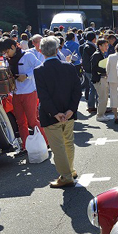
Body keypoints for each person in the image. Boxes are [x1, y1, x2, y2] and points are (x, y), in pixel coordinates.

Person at [33, 37, 82, 188]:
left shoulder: (39, 70)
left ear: (41, 51)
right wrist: (71, 109)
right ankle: (70, 170)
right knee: (68, 142)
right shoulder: (69, 67)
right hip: (68, 112)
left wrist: (55, 113)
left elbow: (43, 96)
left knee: (58, 146)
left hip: (50, 114)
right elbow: (77, 90)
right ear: (57, 50)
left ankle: (66, 176)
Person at [0, 38, 45, 151]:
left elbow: (41, 68)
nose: (6, 55)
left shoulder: (27, 56)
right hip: (15, 93)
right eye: (3, 53)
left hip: (29, 93)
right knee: (20, 122)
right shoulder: (8, 60)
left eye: (6, 51)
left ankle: (45, 142)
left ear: (13, 47)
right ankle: (25, 146)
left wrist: (27, 75)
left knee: (32, 121)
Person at [91, 39, 111, 121]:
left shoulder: (101, 54)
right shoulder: (97, 55)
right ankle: (100, 115)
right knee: (103, 98)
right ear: (100, 46)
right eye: (105, 45)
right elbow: (94, 68)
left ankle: (101, 114)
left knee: (104, 97)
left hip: (102, 78)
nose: (107, 47)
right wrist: (106, 70)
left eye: (107, 45)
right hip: (99, 79)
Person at [81, 31, 98, 113]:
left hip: (87, 69)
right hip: (91, 70)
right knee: (95, 88)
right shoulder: (90, 47)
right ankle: (95, 105)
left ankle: (91, 106)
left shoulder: (85, 46)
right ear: (94, 38)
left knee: (93, 88)